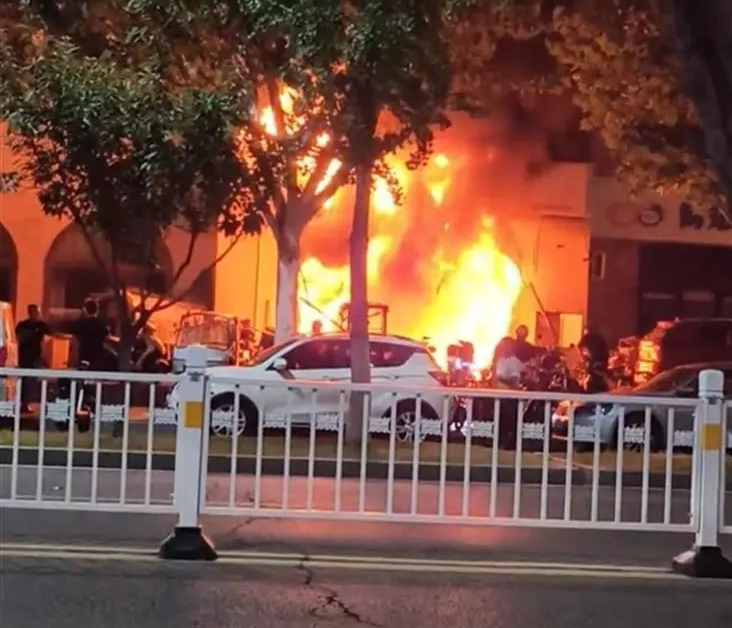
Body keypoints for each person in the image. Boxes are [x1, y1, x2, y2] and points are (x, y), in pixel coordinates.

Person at [15, 304, 51, 412]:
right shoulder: (24, 325)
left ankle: (25, 404)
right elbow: (18, 337)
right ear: (31, 312)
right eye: (36, 312)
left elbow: (52, 332)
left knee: (30, 381)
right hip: (26, 358)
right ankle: (23, 404)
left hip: (33, 357)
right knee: (26, 381)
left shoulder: (40, 325)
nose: (37, 314)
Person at [72, 299, 112, 369]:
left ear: (85, 310)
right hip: (98, 357)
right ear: (97, 310)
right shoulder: (101, 324)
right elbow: (107, 338)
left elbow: (75, 342)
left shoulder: (81, 324)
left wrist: (74, 359)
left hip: (84, 356)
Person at [16, 304, 51, 369]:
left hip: (36, 357)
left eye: (36, 312)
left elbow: (52, 333)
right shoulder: (22, 325)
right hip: (23, 357)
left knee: (35, 372)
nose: (35, 314)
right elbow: (17, 338)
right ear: (29, 312)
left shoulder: (41, 325)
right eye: (33, 311)